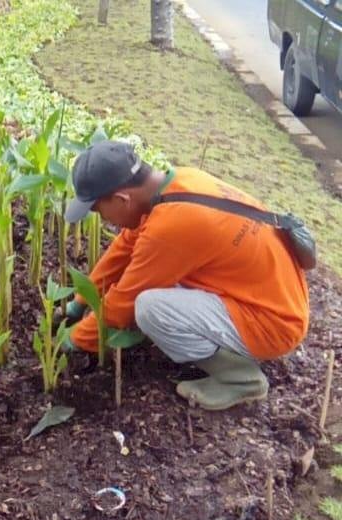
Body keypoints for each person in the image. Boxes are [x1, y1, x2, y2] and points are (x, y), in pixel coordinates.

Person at [62, 141, 309, 410]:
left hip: (273, 323)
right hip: (275, 296)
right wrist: (80, 302)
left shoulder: (171, 226)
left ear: (122, 199)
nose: (102, 219)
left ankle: (241, 380)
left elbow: (122, 306)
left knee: (148, 307)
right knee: (155, 281)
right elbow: (124, 248)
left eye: (98, 210)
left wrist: (72, 341)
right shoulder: (178, 183)